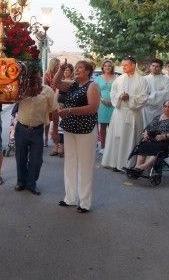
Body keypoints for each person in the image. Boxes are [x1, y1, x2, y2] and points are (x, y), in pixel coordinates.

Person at [54, 60, 100, 213]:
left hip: (85, 129)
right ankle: (70, 198)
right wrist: (61, 69)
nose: (77, 70)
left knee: (85, 165)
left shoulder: (92, 86)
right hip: (70, 128)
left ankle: (85, 202)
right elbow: (56, 83)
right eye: (76, 68)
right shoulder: (73, 84)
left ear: (88, 71)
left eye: (80, 68)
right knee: (70, 162)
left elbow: (92, 108)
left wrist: (69, 111)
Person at [14, 66, 58, 195]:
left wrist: (55, 130)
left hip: (37, 131)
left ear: (41, 75)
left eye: (36, 75)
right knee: (20, 157)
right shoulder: (21, 88)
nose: (34, 78)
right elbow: (10, 99)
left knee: (37, 160)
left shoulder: (48, 91)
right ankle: (21, 182)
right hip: (21, 129)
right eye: (31, 76)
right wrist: (22, 93)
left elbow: (55, 111)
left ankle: (31, 184)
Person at [101, 56, 149, 171]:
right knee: (117, 138)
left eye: (126, 65)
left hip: (133, 114)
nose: (123, 67)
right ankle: (114, 163)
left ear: (133, 65)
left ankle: (128, 164)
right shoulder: (119, 79)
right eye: (122, 65)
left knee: (130, 139)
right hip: (119, 113)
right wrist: (120, 97)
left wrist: (129, 98)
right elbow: (113, 93)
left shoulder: (142, 80)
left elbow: (144, 97)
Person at [130, 99, 169, 173]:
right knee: (144, 145)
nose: (166, 109)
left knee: (157, 149)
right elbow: (148, 127)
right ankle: (137, 167)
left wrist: (164, 136)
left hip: (166, 142)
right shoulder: (158, 117)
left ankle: (142, 167)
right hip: (153, 140)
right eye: (165, 106)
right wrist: (145, 133)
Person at [95, 59, 117, 153]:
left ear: (112, 67)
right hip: (102, 105)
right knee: (102, 126)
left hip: (114, 104)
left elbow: (118, 90)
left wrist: (113, 101)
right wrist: (102, 100)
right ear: (103, 67)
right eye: (105, 66)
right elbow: (95, 91)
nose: (107, 67)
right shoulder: (98, 78)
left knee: (113, 126)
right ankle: (103, 147)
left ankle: (111, 148)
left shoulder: (117, 78)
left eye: (109, 66)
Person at [142, 59, 169, 126]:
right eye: (153, 66)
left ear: (161, 68)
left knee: (159, 128)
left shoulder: (166, 79)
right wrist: (159, 92)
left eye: (157, 66)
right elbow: (142, 94)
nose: (154, 68)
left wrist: (151, 94)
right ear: (150, 66)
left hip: (159, 108)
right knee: (146, 127)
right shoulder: (144, 79)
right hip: (146, 108)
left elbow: (166, 94)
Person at [43, 58, 60, 147]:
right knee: (47, 120)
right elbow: (45, 87)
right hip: (49, 98)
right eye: (57, 64)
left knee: (57, 120)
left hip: (58, 97)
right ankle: (45, 138)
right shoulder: (47, 74)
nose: (59, 66)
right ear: (53, 65)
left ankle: (57, 141)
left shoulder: (60, 74)